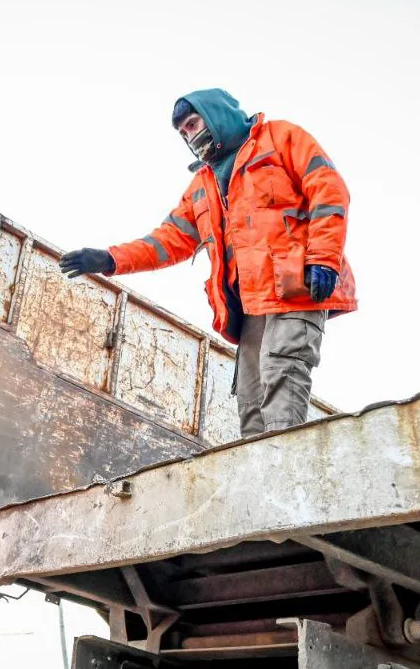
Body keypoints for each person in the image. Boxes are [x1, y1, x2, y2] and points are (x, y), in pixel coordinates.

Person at [61, 89, 356, 438]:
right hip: (251, 307)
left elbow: (328, 189)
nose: (189, 135)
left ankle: (287, 473)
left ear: (216, 114)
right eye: (183, 132)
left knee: (282, 374)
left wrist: (323, 257)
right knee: (251, 399)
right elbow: (167, 240)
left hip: (298, 286)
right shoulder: (203, 184)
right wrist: (110, 259)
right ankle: (260, 478)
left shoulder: (281, 137)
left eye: (192, 123)